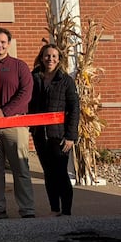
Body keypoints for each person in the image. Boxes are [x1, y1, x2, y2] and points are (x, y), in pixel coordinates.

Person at [0, 27, 35, 219]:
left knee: (20, 168)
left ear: (9, 44)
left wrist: (5, 111)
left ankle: (27, 209)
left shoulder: (19, 66)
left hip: (14, 124)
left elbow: (25, 93)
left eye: (3, 42)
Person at [30, 43, 80, 216]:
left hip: (59, 136)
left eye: (53, 56)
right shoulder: (34, 78)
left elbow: (74, 109)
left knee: (61, 173)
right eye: (47, 55)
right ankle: (54, 209)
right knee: (49, 174)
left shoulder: (66, 80)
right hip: (39, 135)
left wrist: (71, 136)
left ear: (59, 59)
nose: (50, 59)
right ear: (41, 58)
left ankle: (66, 211)